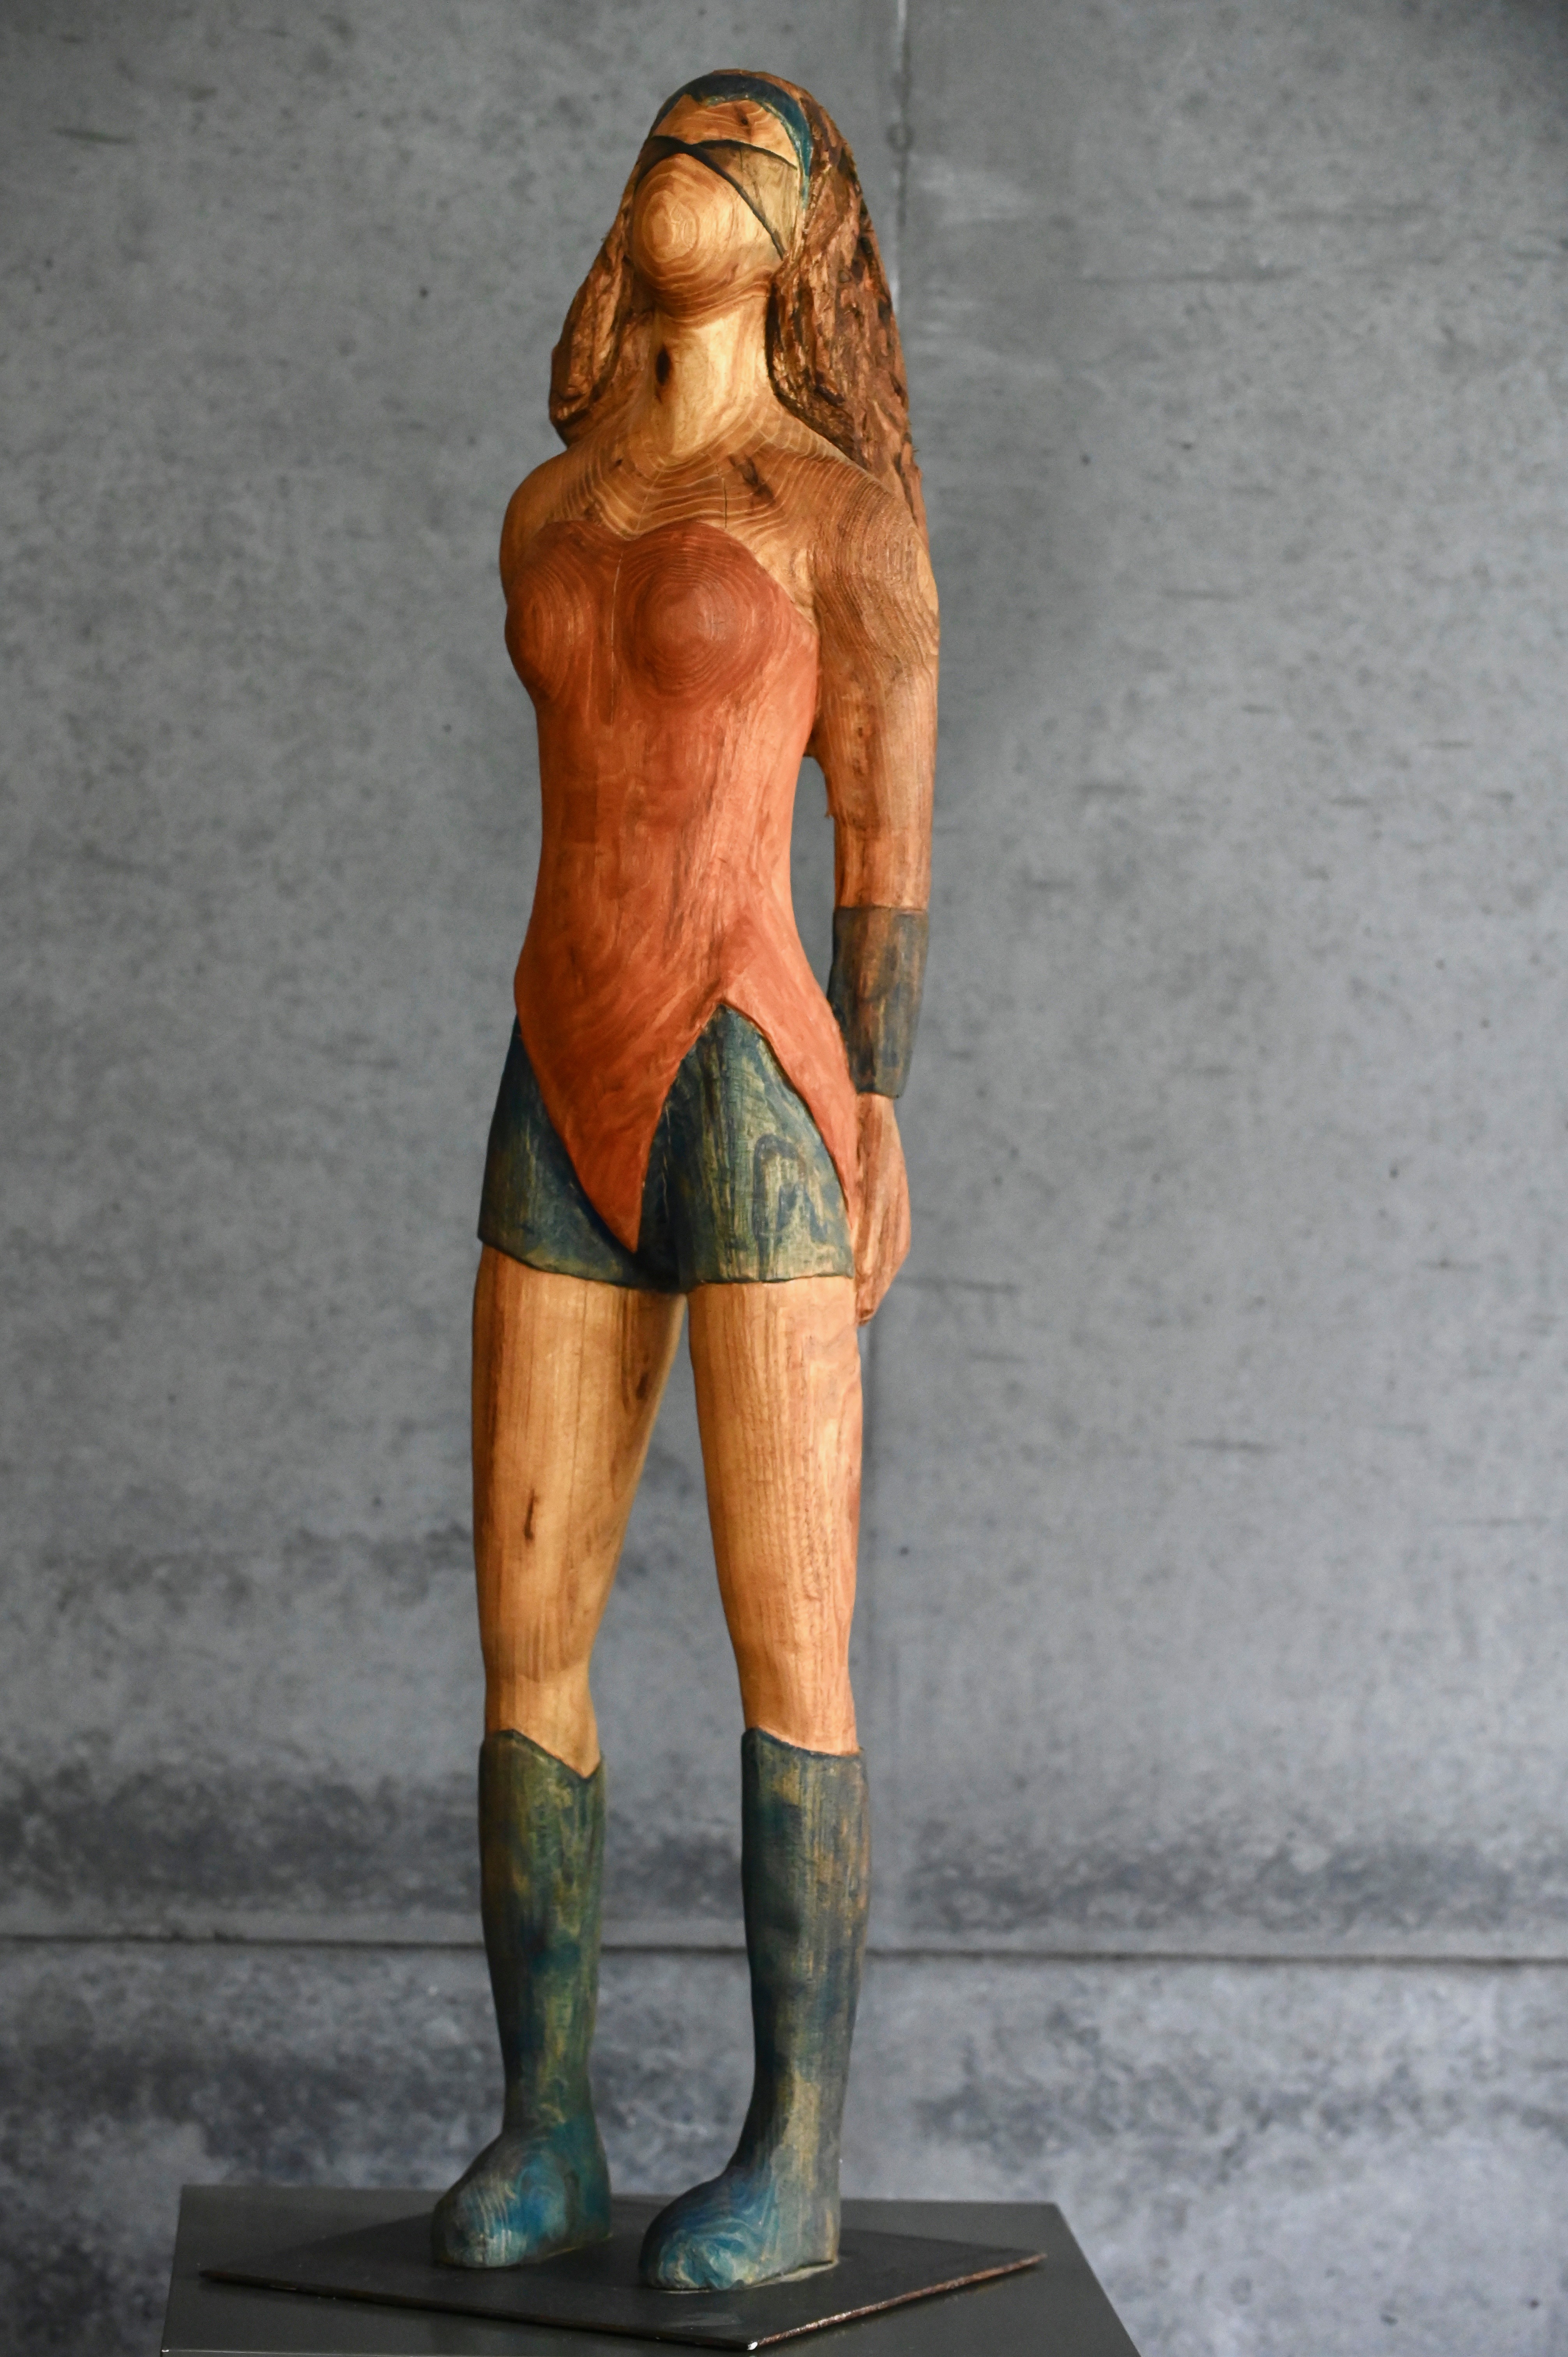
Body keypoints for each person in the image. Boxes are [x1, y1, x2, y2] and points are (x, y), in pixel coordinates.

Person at [432, 67, 939, 2293]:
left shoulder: (845, 519)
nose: (689, 172)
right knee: (526, 1638)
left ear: (809, 233)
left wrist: (880, 1104)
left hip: (753, 1078)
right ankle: (545, 2128)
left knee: (788, 1634)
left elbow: (882, 846)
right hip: (556, 1066)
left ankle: (794, 2152)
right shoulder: (549, 507)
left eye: (742, 152)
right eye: (671, 139)